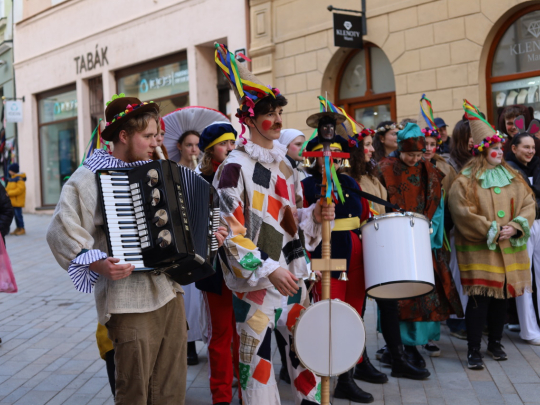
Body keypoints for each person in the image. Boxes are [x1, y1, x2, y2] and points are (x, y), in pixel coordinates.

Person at [46, 95, 226, 404]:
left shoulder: (162, 170)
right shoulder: (91, 176)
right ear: (123, 136)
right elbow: (60, 230)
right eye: (147, 136)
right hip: (129, 301)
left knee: (171, 391)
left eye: (156, 135)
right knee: (135, 392)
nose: (155, 142)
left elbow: (188, 225)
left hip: (170, 292)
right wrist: (99, 263)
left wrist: (212, 236)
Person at [214, 43, 334, 405]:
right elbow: (229, 234)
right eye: (270, 113)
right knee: (258, 371)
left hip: (294, 280)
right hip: (256, 288)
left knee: (307, 361)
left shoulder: (285, 167)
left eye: (281, 112)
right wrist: (269, 268)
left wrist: (313, 215)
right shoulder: (232, 168)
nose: (279, 120)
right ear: (249, 119)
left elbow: (291, 221)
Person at [449, 100, 536, 370]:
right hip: (480, 250)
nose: (499, 152)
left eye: (500, 148)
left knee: (503, 298)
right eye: (494, 149)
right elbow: (463, 212)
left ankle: (496, 343)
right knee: (479, 302)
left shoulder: (513, 175)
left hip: (509, 247)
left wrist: (517, 225)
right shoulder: (464, 180)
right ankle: (474, 349)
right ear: (482, 151)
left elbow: (528, 203)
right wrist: (493, 229)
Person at [378, 122, 463, 369]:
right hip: (394, 242)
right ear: (400, 150)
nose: (415, 159)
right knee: (396, 294)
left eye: (418, 154)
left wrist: (430, 233)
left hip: (424, 241)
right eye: (410, 155)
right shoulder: (384, 169)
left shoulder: (431, 171)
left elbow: (437, 206)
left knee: (423, 293)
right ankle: (396, 345)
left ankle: (418, 342)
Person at [302, 131, 378, 403]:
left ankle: (346, 379)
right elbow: (302, 226)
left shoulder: (348, 181)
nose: (330, 160)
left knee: (352, 318)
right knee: (326, 320)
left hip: (355, 256)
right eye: (325, 155)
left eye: (335, 155)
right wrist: (309, 263)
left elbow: (365, 213)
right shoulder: (307, 185)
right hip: (326, 255)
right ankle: (316, 384)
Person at [195, 121, 243, 405]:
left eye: (233, 143)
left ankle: (248, 392)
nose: (230, 148)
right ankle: (221, 398)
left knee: (244, 334)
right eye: (225, 143)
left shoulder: (240, 175)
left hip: (245, 266)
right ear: (211, 148)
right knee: (222, 337)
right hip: (215, 269)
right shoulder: (199, 181)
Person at [505, 120, 540, 346]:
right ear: (514, 148)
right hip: (521, 225)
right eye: (525, 147)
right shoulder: (507, 169)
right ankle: (528, 329)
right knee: (524, 278)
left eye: (533, 147)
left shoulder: (538, 165)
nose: (530, 151)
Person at [6, 163, 26, 236]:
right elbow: (8, 188)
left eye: (10, 170)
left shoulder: (19, 179)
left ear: (13, 171)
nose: (9, 171)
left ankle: (22, 228)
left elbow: (20, 190)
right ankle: (18, 228)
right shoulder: (12, 178)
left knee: (18, 215)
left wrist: (9, 193)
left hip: (17, 202)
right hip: (12, 202)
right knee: (14, 216)